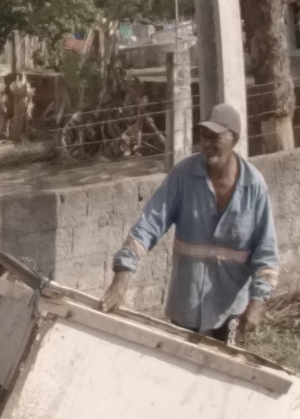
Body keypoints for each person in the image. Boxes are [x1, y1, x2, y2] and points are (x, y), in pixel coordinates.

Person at [102, 100, 279, 344]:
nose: (207, 144)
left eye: (216, 137)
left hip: (230, 312)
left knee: (222, 368)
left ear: (234, 139)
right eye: (204, 136)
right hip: (186, 306)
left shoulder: (254, 186)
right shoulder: (183, 175)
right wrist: (122, 274)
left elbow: (266, 251)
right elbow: (149, 224)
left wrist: (257, 302)